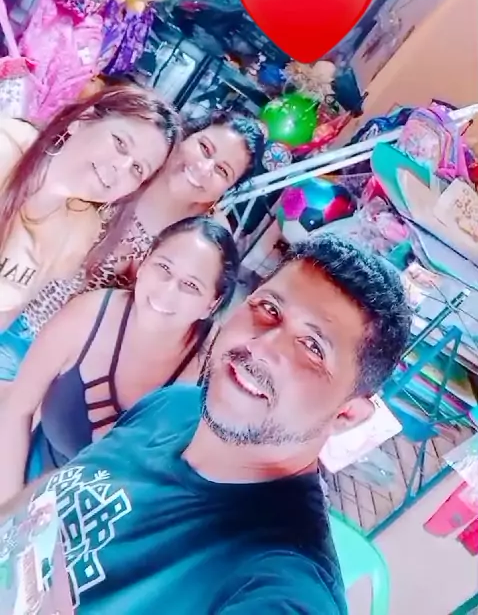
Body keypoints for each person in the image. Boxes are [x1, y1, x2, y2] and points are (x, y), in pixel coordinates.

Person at [0, 234, 411, 614]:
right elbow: (62, 488)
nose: (261, 346)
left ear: (346, 414)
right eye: (269, 309)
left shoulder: (282, 587)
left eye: (312, 347)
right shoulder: (173, 406)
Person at [0, 215, 239, 489]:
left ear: (211, 305)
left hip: (110, 513)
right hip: (24, 481)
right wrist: (9, 505)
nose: (167, 291)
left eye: (191, 285)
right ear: (143, 264)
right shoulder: (87, 316)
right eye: (164, 267)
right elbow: (16, 410)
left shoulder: (211, 375)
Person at [24, 109, 265, 334]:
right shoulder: (129, 167)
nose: (203, 168)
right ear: (186, 136)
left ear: (227, 190)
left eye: (222, 171)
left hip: (71, 355)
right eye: (204, 148)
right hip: (17, 309)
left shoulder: (208, 243)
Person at [0, 85, 179, 381]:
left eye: (138, 169)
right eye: (120, 143)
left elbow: (9, 309)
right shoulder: (6, 148)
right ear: (81, 120)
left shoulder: (81, 229)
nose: (121, 168)